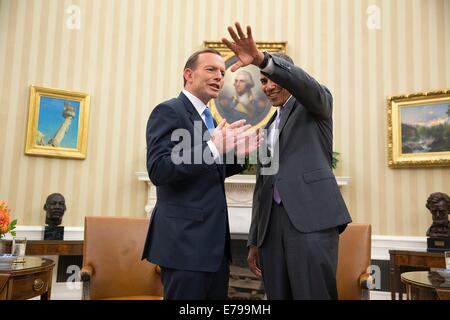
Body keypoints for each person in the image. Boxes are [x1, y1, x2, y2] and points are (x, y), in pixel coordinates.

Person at [222, 23, 352, 299]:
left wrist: (263, 61)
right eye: (263, 82)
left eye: (271, 78)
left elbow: (305, 86)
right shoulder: (267, 128)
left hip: (311, 221)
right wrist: (255, 239)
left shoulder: (315, 105)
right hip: (272, 229)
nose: (267, 87)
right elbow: (263, 186)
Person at [141, 48, 262, 300]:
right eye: (210, 69)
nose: (219, 76)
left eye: (221, 72)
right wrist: (212, 147)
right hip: (184, 247)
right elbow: (159, 169)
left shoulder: (208, 118)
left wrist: (239, 155)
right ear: (189, 74)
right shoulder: (169, 111)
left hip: (214, 249)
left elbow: (206, 171)